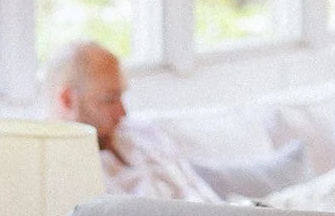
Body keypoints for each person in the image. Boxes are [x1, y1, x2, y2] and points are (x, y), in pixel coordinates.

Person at [46, 40, 220, 203]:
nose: (122, 112)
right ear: (67, 99)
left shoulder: (145, 134)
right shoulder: (64, 174)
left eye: (120, 95)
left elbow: (203, 193)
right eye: (109, 99)